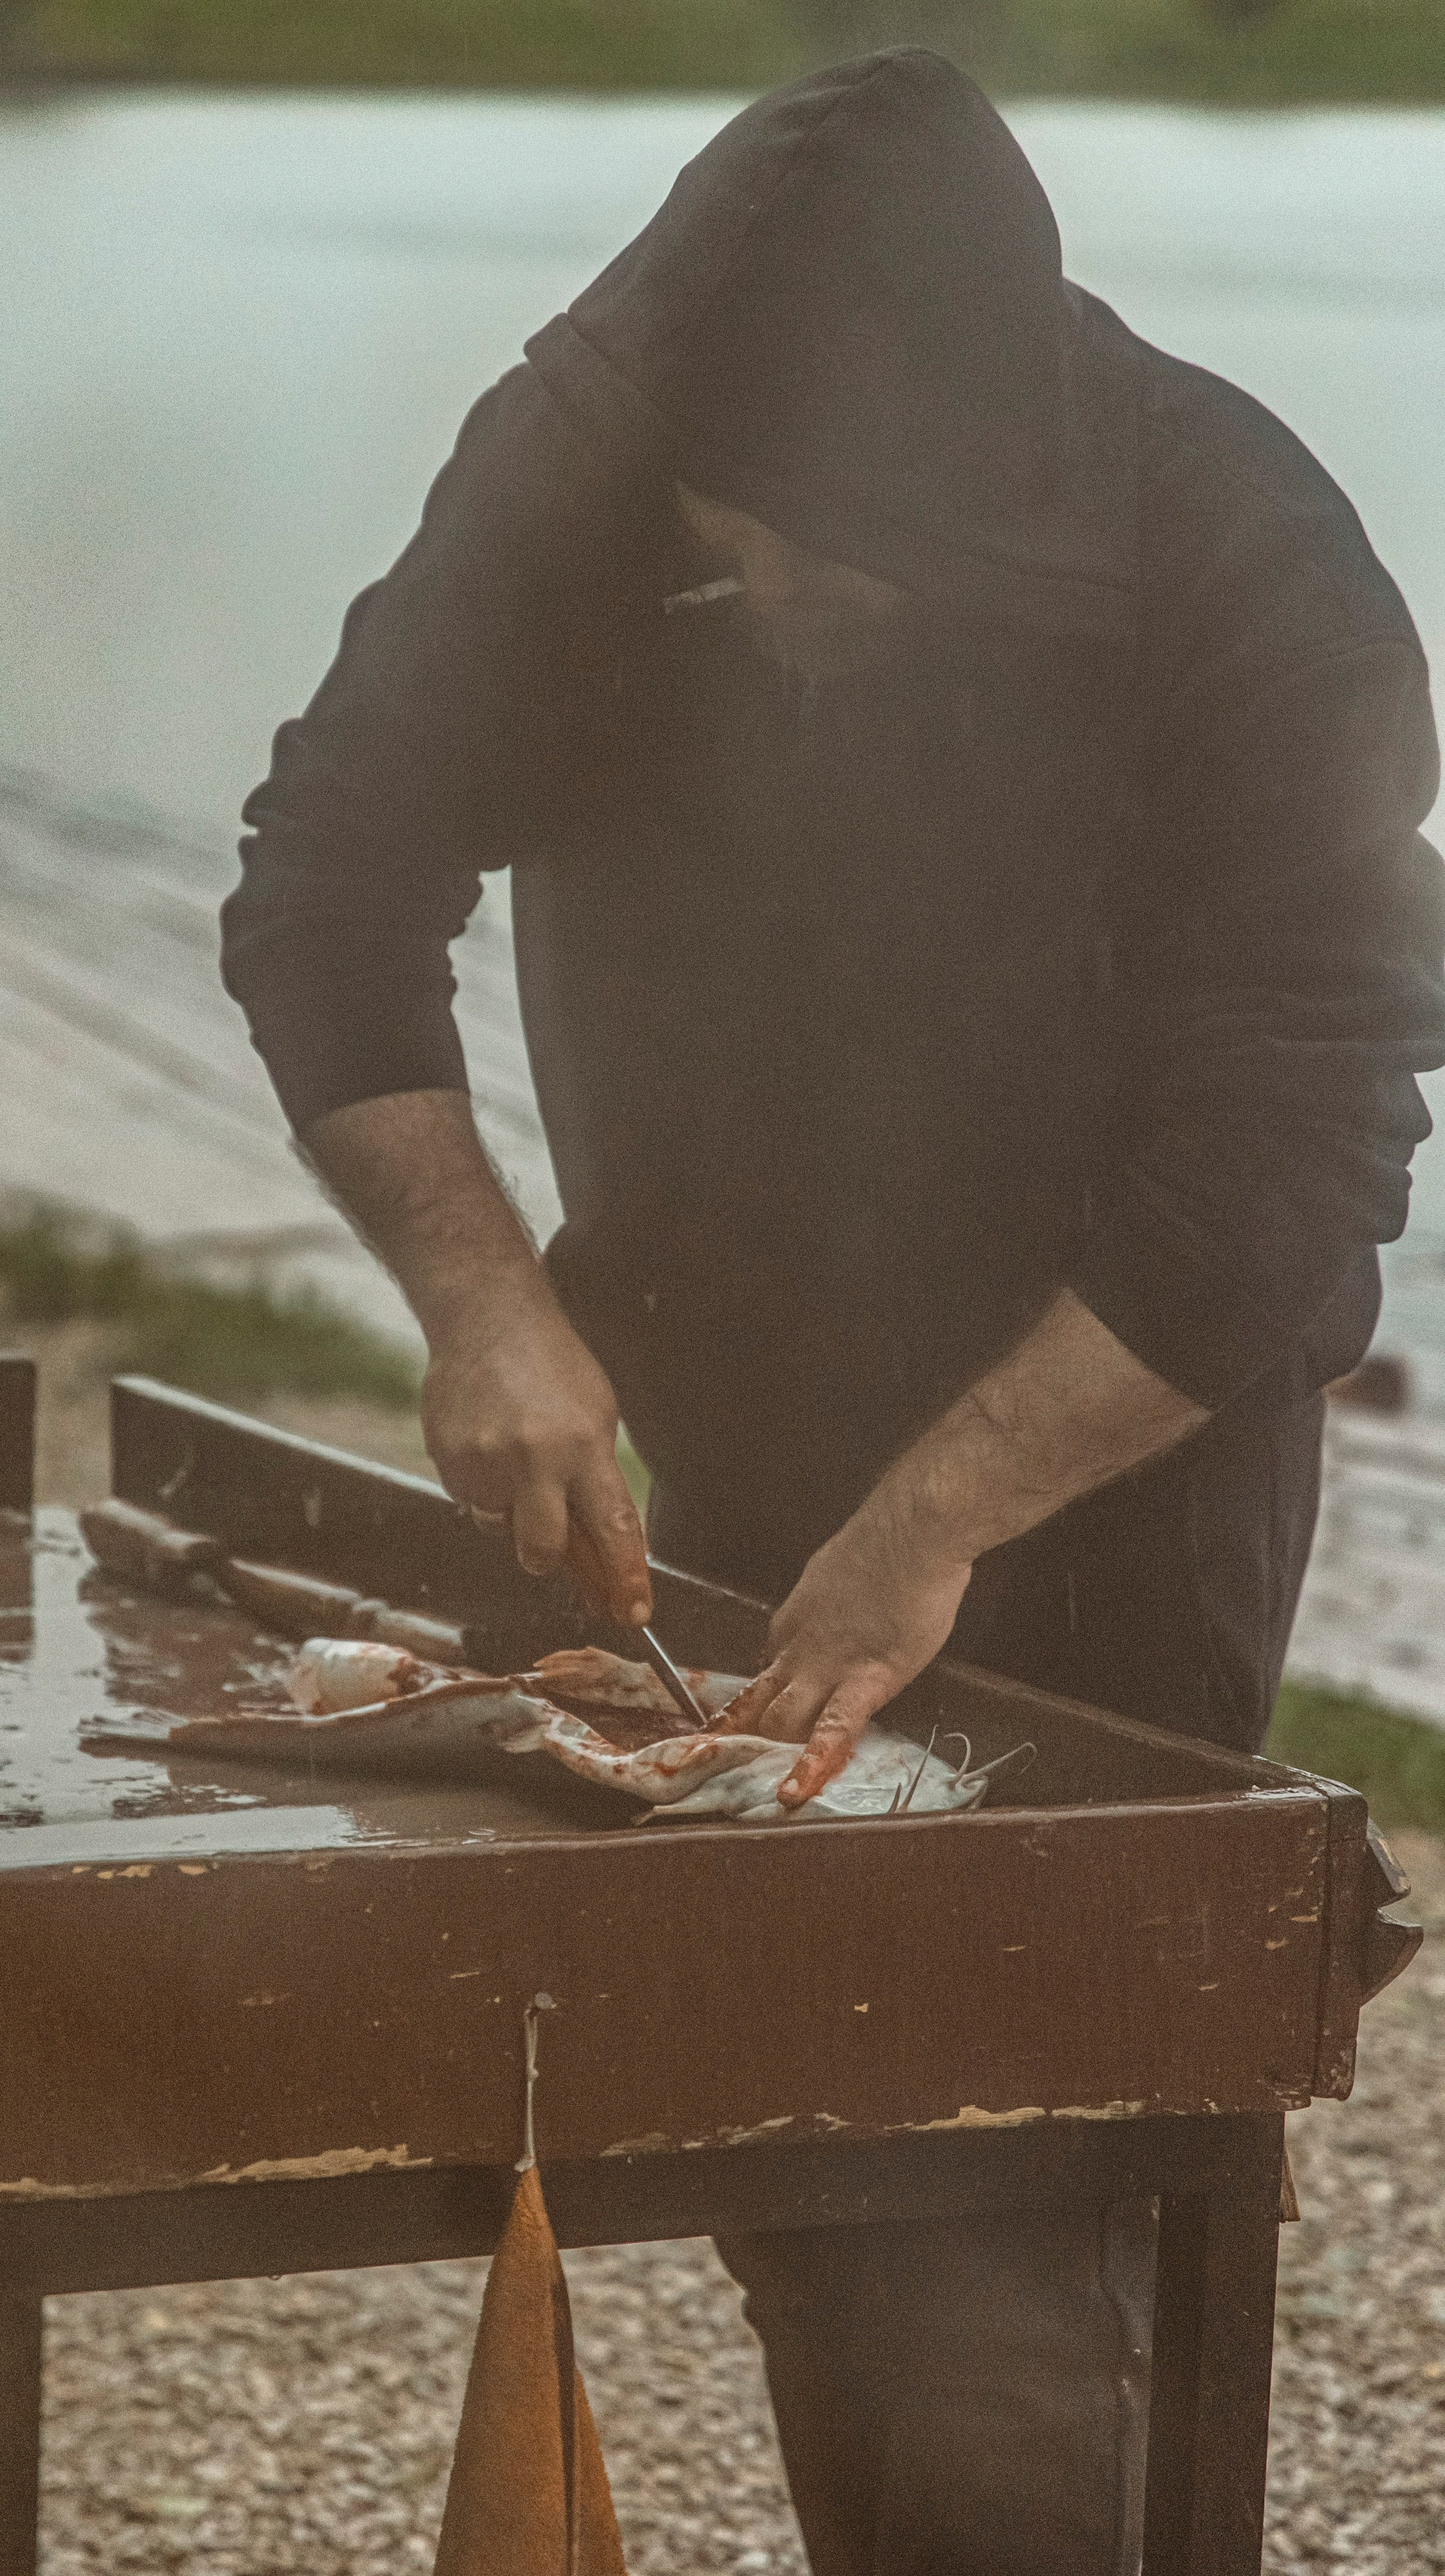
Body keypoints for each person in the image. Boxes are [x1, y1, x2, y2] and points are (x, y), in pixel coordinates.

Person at [222, 50, 1443, 2574]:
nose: (766, 596)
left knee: (1015, 2184)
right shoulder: (581, 458)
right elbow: (329, 885)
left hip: (1109, 1458)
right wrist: (483, 1309)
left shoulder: (1245, 559)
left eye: (838, 562)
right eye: (731, 537)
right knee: (803, 2128)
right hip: (698, 1390)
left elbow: (1298, 1161)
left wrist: (939, 1513)